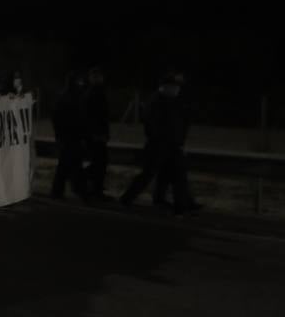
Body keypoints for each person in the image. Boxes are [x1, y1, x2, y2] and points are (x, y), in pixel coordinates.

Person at [121, 74, 200, 213]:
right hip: (158, 145)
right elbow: (154, 126)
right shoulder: (156, 102)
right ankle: (127, 198)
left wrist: (178, 142)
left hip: (171, 145)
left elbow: (178, 123)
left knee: (177, 174)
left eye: (177, 88)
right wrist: (168, 141)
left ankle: (183, 204)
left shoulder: (172, 102)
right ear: (164, 88)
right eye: (174, 87)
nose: (177, 90)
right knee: (149, 174)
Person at [50, 70, 90, 200]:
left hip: (67, 136)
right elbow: (78, 117)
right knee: (73, 164)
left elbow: (56, 117)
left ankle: (59, 191)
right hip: (72, 136)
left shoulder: (66, 96)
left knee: (66, 165)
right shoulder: (75, 97)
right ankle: (79, 190)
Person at [82, 66, 111, 198]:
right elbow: (91, 116)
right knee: (99, 162)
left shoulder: (97, 92)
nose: (98, 79)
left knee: (100, 162)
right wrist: (95, 134)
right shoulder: (92, 93)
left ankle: (93, 187)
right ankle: (94, 188)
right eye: (95, 76)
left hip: (98, 134)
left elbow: (103, 116)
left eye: (99, 76)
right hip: (95, 135)